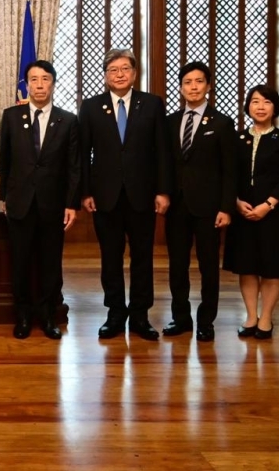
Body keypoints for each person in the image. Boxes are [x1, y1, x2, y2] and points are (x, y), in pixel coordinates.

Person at [79, 49, 170, 341]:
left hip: (142, 195)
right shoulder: (92, 107)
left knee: (143, 257)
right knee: (110, 258)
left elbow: (162, 152)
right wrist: (85, 192)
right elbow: (83, 154)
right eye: (113, 70)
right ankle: (115, 313)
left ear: (134, 73)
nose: (119, 74)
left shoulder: (152, 104)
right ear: (106, 75)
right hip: (105, 196)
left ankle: (140, 316)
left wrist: (163, 191)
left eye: (124, 69)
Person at [0, 59, 80, 340]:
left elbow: (73, 166)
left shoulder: (67, 120)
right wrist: (4, 197)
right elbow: (4, 161)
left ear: (53, 83)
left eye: (45, 79)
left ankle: (47, 316)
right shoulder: (10, 116)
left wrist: (71, 203)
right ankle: (22, 316)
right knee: (20, 262)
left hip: (52, 205)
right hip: (19, 203)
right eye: (34, 79)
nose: (40, 84)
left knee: (49, 263)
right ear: (27, 84)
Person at [163, 61, 236, 342]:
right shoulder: (170, 122)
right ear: (181, 87)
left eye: (198, 82)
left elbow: (230, 170)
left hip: (209, 208)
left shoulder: (221, 123)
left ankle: (206, 320)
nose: (193, 87)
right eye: (187, 82)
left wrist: (226, 207)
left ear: (208, 86)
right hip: (177, 207)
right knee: (177, 265)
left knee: (208, 266)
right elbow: (165, 164)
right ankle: (180, 318)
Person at [223, 85, 279, 340]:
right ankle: (251, 315)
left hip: (272, 213)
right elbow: (228, 174)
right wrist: (235, 202)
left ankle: (266, 319)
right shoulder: (237, 139)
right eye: (255, 102)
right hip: (243, 212)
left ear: (275, 107)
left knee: (271, 267)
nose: (261, 107)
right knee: (247, 266)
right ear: (247, 107)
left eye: (266, 102)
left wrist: (268, 204)